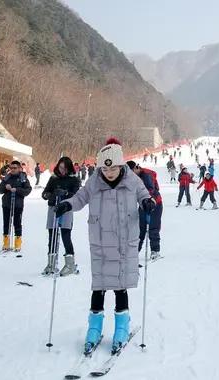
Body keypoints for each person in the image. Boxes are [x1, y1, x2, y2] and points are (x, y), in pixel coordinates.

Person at [53, 137, 155, 354]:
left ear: (120, 166)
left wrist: (147, 202)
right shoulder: (94, 181)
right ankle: (95, 327)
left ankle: (121, 326)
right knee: (98, 287)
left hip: (124, 242)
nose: (109, 174)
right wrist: (67, 205)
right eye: (105, 170)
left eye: (113, 170)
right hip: (100, 241)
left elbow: (144, 194)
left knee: (120, 286)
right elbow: (80, 198)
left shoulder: (132, 181)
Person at [41, 157, 81, 275]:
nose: (62, 170)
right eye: (60, 167)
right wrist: (50, 195)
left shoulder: (74, 180)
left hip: (66, 208)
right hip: (53, 208)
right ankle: (51, 263)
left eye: (65, 168)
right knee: (52, 235)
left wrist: (66, 193)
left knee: (65, 235)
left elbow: (76, 194)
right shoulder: (53, 179)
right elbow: (45, 193)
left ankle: (70, 264)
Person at [128, 161, 163, 260]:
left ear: (136, 168)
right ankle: (134, 252)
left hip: (154, 204)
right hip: (143, 205)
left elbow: (150, 190)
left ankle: (155, 251)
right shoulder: (132, 177)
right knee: (140, 229)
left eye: (131, 172)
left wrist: (148, 201)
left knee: (153, 227)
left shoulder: (146, 174)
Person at [0, 160, 32, 251]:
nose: (12, 170)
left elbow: (28, 190)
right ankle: (6, 242)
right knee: (6, 222)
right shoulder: (7, 178)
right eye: (11, 168)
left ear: (19, 168)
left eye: (15, 168)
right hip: (6, 203)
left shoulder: (23, 178)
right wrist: (5, 187)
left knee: (17, 223)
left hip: (18, 204)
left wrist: (17, 189)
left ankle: (17, 242)